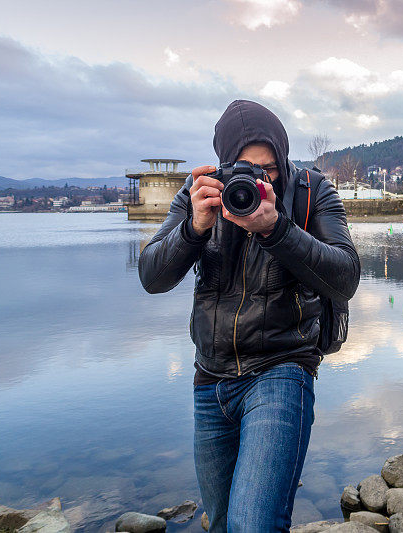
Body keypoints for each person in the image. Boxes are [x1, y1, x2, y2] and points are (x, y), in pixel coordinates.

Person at [138, 99, 360, 532]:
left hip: (281, 370)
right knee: (221, 523)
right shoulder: (198, 193)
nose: (256, 179)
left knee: (254, 523)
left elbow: (346, 275)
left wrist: (276, 228)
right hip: (210, 381)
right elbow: (152, 276)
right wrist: (193, 227)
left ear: (282, 157)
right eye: (243, 167)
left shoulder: (313, 190)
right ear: (224, 165)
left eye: (269, 168)